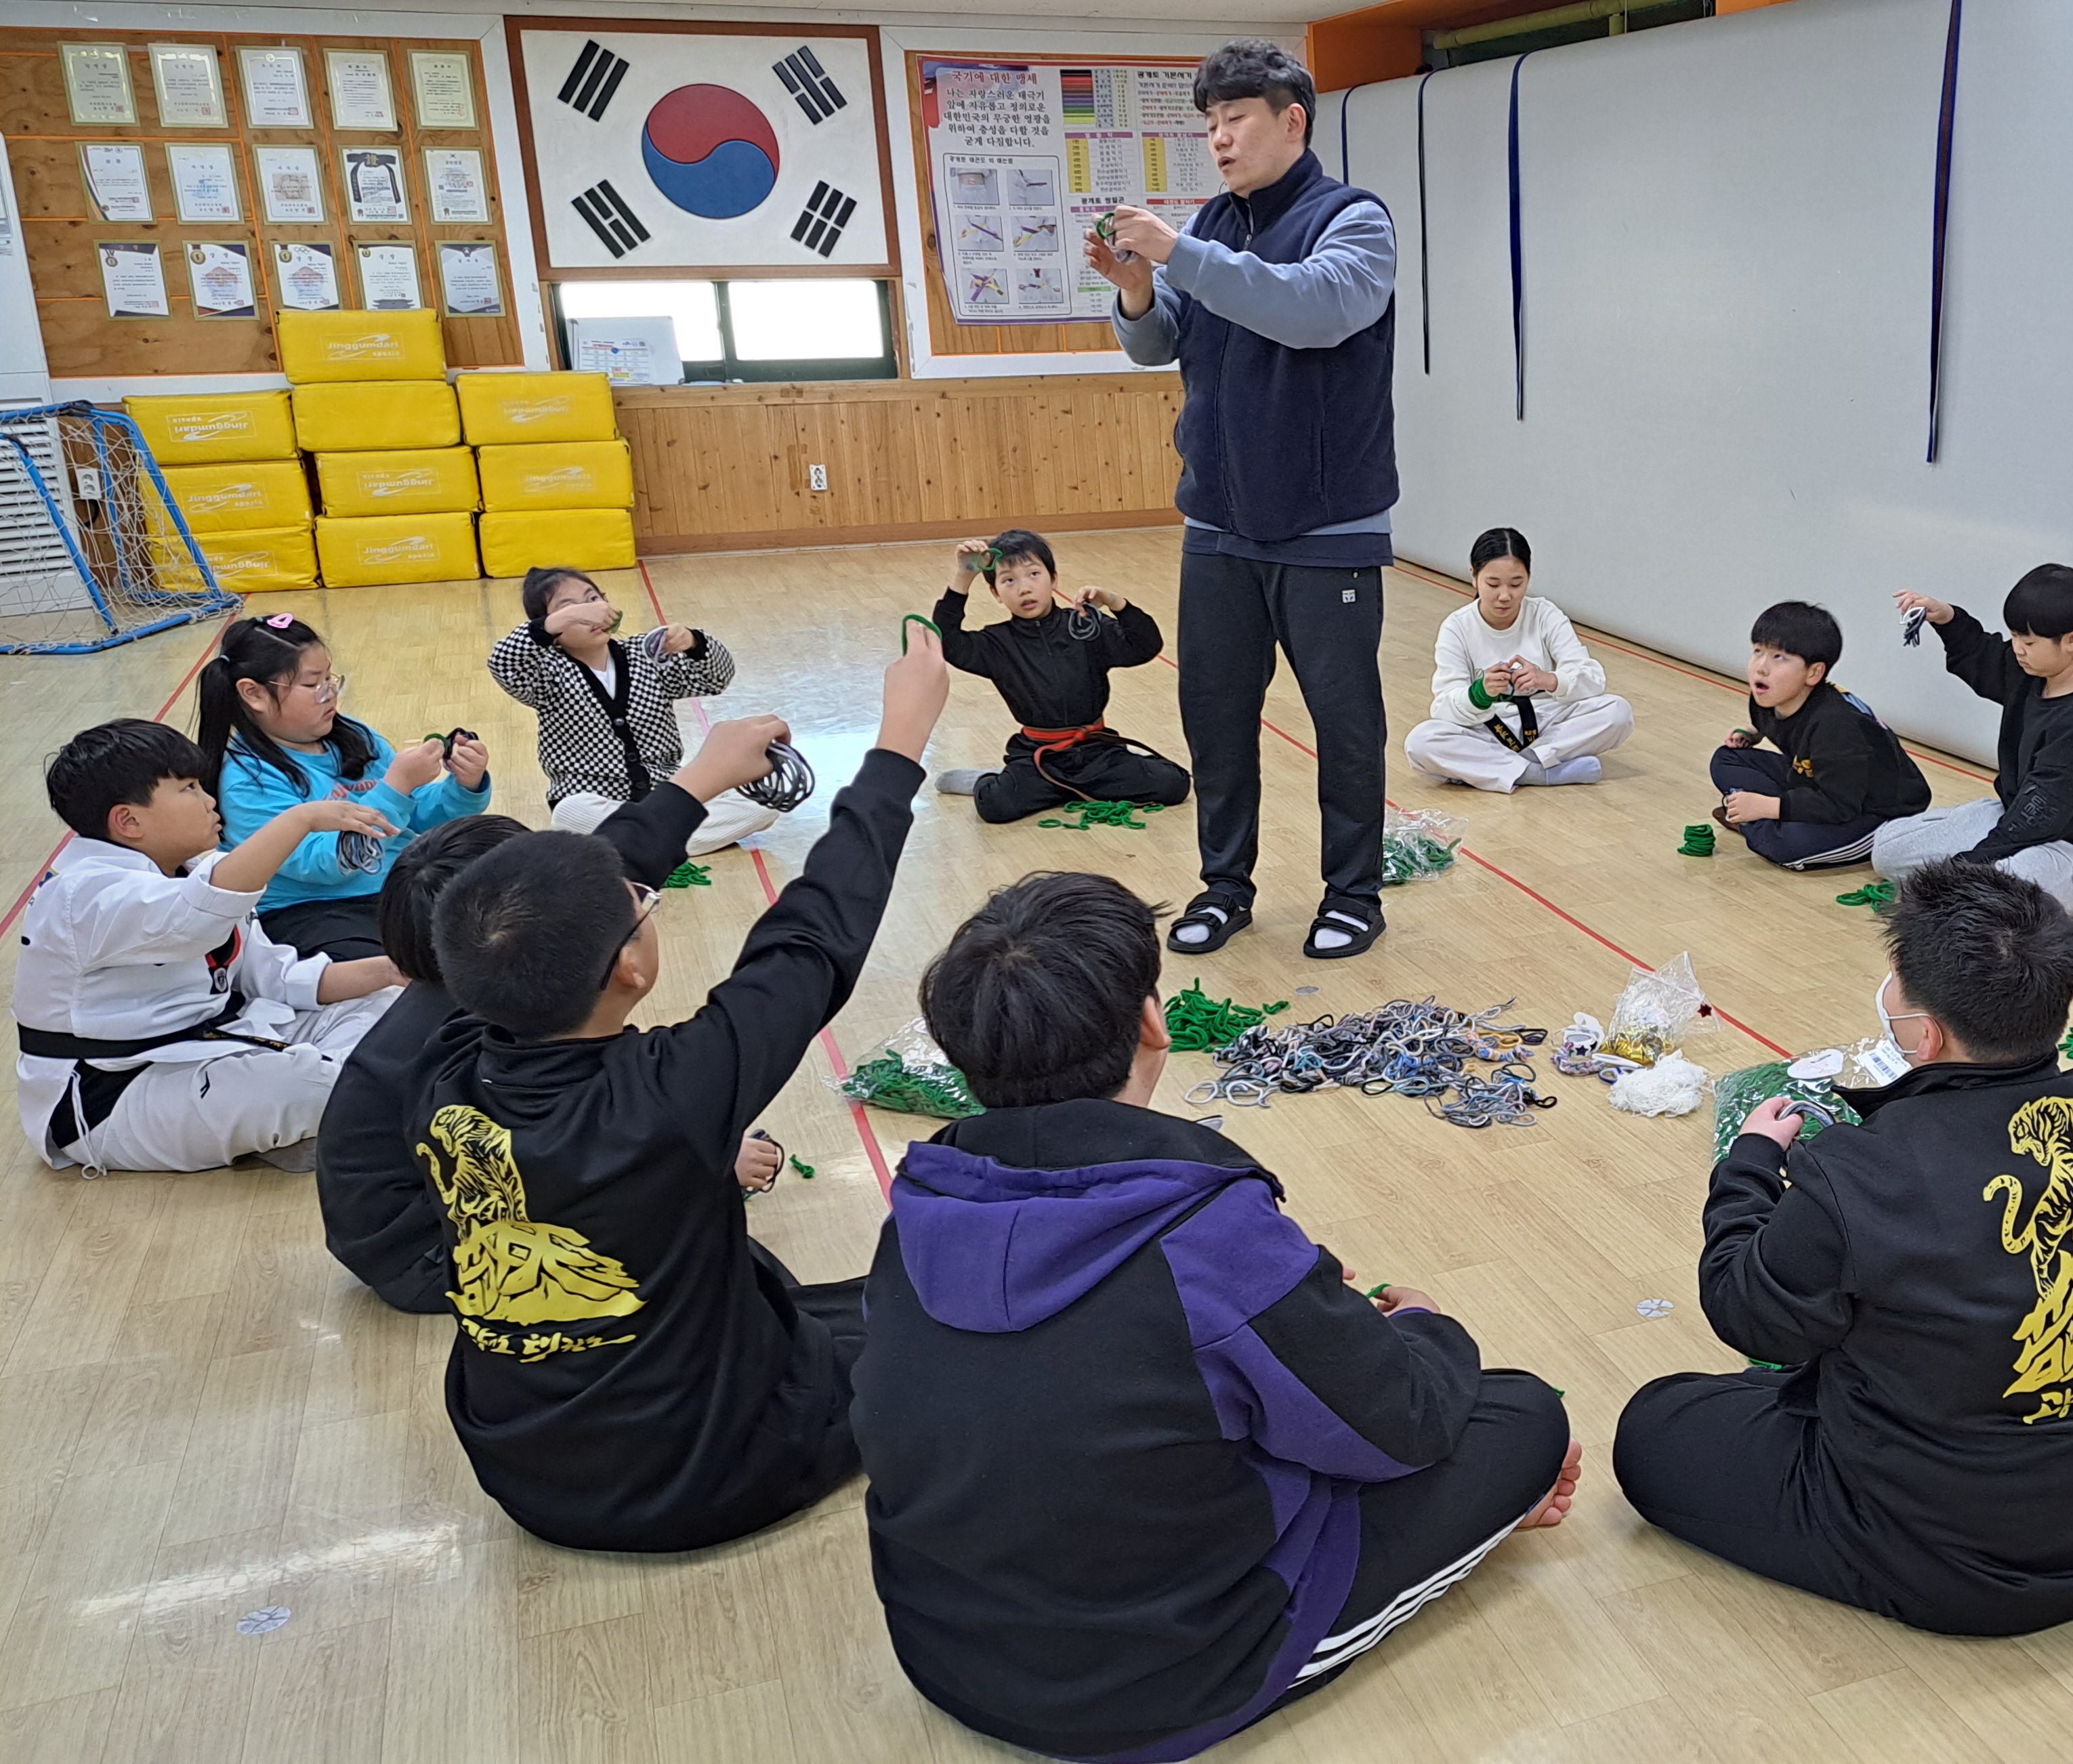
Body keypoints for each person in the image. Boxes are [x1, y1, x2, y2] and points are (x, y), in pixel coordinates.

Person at [852, 870, 1578, 1761]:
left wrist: (1279, 1303)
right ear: (1151, 1025)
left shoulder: (917, 1211)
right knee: (1519, 1414)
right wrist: (1425, 1325)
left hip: (944, 1651)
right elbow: (1404, 1425)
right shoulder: (1208, 1228)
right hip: (1165, 1688)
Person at [406, 636, 948, 1553]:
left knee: (813, 1298)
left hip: (524, 1464)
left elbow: (569, 894)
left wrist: (697, 781)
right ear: (629, 968)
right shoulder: (669, 1096)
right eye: (642, 905)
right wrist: (899, 745)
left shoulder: (446, 1059)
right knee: (939, 1317)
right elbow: (812, 940)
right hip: (704, 1476)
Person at [1616, 861, 2073, 1635]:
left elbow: (1748, 1315)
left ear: (1926, 1033)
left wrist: (1748, 1165)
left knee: (1657, 1423)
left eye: (1897, 985)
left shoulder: (1860, 1172)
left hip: (1957, 1568)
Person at [1093, 40, 1399, 962]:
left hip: (1327, 526)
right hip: (1219, 524)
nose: (1219, 139)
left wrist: (1179, 254)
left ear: (1291, 121)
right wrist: (1138, 294)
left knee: (1345, 726)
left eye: (1235, 119)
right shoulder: (1210, 226)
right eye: (1211, 124)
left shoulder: (1354, 221)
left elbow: (1310, 309)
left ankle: (1354, 894)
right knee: (1216, 719)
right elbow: (1163, 343)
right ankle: (1224, 886)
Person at [318, 723, 794, 1315]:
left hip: (407, 1223)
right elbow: (567, 1157)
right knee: (713, 1257)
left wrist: (704, 775)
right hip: (428, 1255)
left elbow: (614, 865)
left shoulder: (485, 981)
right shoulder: (483, 1034)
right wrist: (704, 1163)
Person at [17, 718, 404, 1175]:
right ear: (129, 821)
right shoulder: (82, 894)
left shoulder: (191, 871)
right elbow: (196, 917)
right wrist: (300, 820)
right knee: (299, 1083)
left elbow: (277, 978)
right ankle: (342, 1100)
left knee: (387, 1004)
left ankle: (332, 1109)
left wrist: (391, 971)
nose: (209, 801)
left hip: (216, 1044)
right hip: (116, 1092)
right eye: (189, 789)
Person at [199, 612, 494, 960]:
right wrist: (397, 786)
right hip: (312, 910)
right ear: (254, 694)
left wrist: (462, 786)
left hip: (396, 886)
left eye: (330, 678)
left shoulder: (353, 734)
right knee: (388, 970)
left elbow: (414, 815)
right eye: (314, 685)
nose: (331, 694)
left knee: (497, 917)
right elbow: (324, 865)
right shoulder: (248, 780)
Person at [1876, 566, 2073, 916]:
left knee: (1978, 902)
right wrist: (1946, 617)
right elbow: (1983, 654)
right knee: (1888, 852)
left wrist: (1949, 878)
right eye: (2015, 637)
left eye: (2028, 642)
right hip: (2018, 815)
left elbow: (2035, 822)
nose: (2018, 649)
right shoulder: (2034, 669)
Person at [486, 566, 776, 856]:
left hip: (663, 797)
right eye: (570, 609)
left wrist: (693, 642)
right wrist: (566, 618)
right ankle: (668, 842)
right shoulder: (545, 673)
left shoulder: (646, 654)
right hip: (597, 803)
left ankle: (638, 845)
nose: (592, 613)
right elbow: (502, 663)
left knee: (763, 802)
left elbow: (716, 679)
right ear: (549, 629)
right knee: (569, 812)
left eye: (594, 600)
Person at [927, 530, 1190, 820]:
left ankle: (1065, 787)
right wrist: (964, 576)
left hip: (1095, 751)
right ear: (996, 594)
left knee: (1174, 784)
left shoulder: (1085, 626)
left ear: (1053, 579)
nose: (1024, 589)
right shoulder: (996, 644)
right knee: (995, 805)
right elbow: (947, 641)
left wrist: (1115, 602)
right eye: (1009, 580)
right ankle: (991, 779)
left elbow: (1145, 646)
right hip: (1039, 756)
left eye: (1034, 575)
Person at [1402, 528, 1633, 792]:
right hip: (1486, 728)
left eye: (1516, 584)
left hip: (1544, 722)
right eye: (1493, 584)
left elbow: (1592, 678)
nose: (1505, 596)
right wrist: (1480, 693)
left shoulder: (1545, 614)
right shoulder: (1457, 627)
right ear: (1474, 577)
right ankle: (1540, 772)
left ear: (1528, 579)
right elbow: (1443, 708)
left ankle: (1499, 768)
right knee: (1421, 742)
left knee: (1618, 712)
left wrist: (1550, 680)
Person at [1709, 602, 1930, 870]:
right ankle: (1762, 820)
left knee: (1786, 847)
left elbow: (1841, 805)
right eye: (1758, 651)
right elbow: (1779, 726)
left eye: (1779, 657)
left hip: (1875, 810)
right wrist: (1752, 733)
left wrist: (1769, 807)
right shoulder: (1767, 698)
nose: (1761, 667)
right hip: (1816, 780)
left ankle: (1757, 823)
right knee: (1726, 759)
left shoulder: (1837, 726)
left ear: (1814, 673)